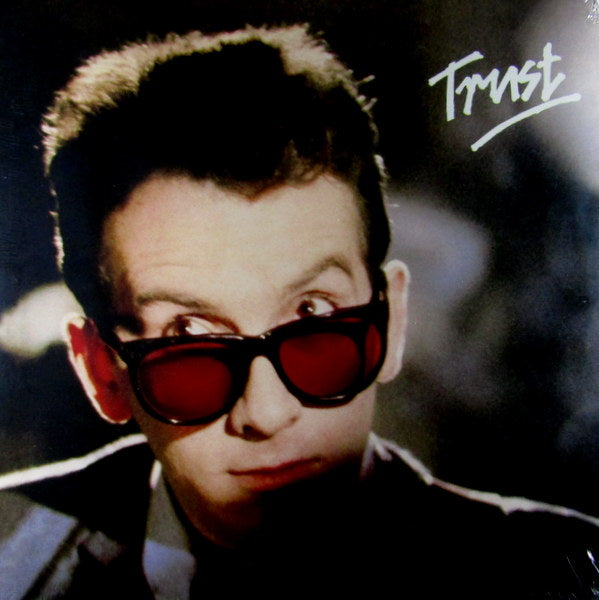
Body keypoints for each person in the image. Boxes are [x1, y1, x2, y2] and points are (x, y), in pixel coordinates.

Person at [0, 25, 597, 599]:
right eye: (189, 334)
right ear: (100, 370)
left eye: (312, 315)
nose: (267, 413)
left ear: (390, 321)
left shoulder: (560, 570)